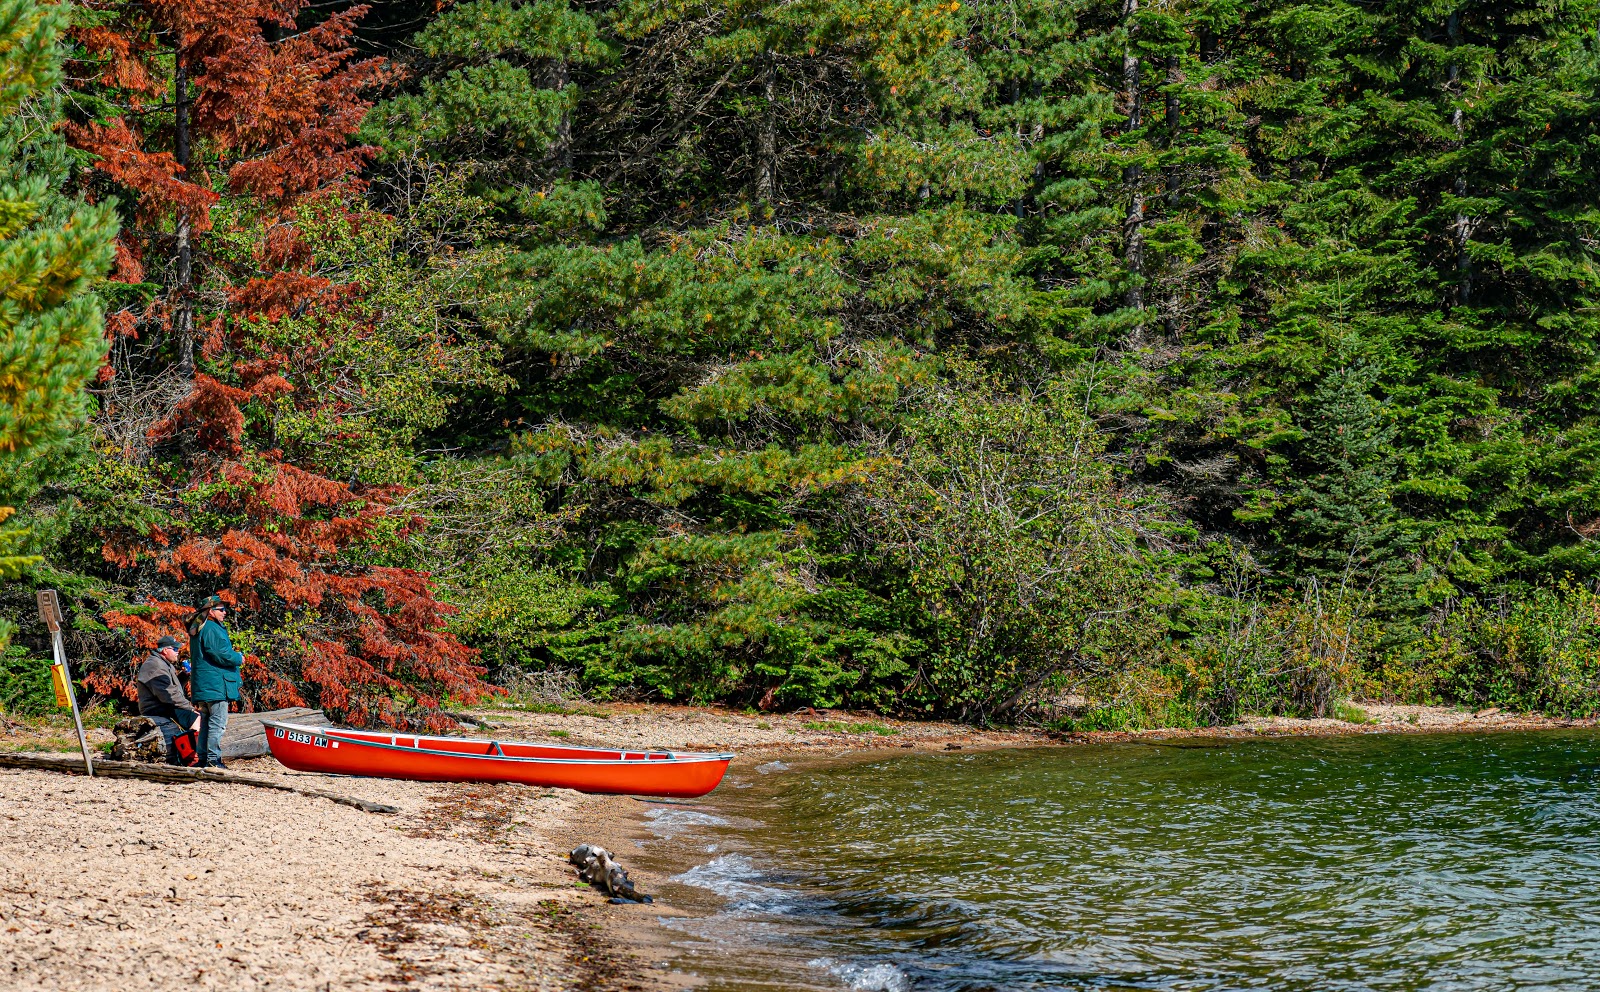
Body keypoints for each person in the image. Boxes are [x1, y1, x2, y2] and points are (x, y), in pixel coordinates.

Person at [188, 594, 243, 769]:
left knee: (206, 723)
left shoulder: (201, 627)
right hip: (215, 685)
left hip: (205, 686)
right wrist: (238, 658)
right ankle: (213, 760)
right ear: (210, 611)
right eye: (221, 609)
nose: (225, 612)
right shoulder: (211, 628)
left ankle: (204, 759)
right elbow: (221, 654)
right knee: (217, 724)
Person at [134, 635, 200, 765]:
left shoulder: (164, 664)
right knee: (195, 718)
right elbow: (168, 695)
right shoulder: (155, 665)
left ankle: (193, 754)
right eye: (175, 649)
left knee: (196, 716)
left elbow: (172, 689)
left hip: (165, 704)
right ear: (165, 650)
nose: (178, 651)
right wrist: (190, 708)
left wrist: (184, 676)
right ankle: (192, 757)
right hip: (156, 708)